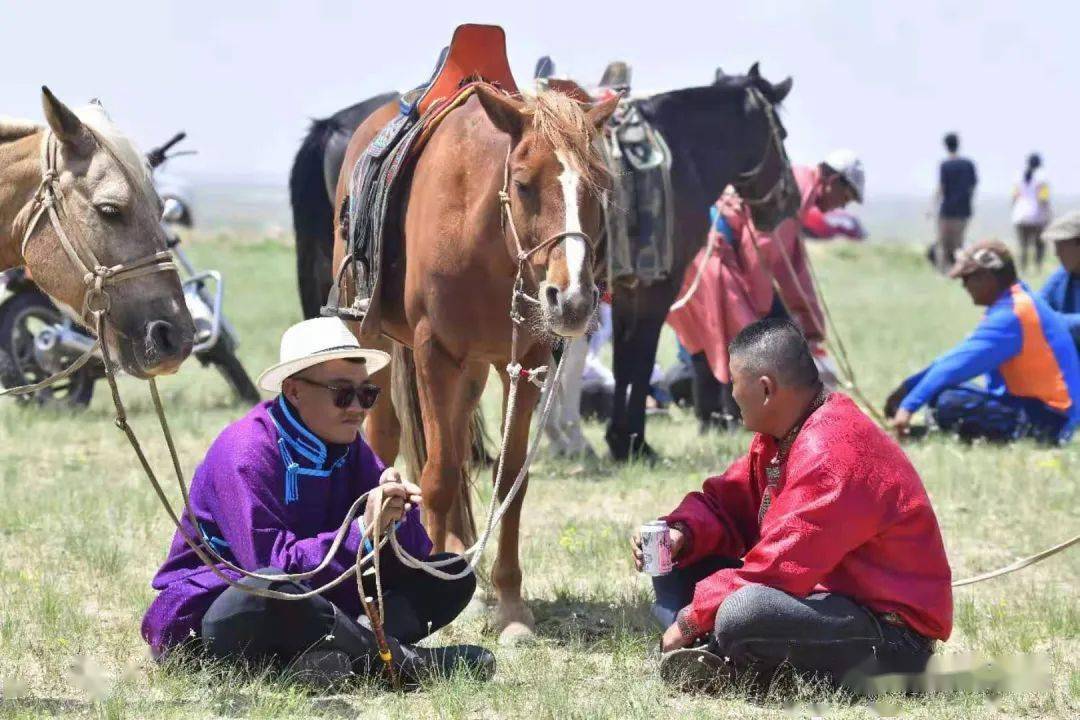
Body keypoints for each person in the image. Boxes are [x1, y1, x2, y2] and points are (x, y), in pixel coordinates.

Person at [141, 317, 494, 686]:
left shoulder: (349, 443)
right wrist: (361, 532)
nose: (358, 408)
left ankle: (330, 659)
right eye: (342, 393)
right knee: (272, 589)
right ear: (293, 391)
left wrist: (396, 517)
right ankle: (400, 662)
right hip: (222, 613)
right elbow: (268, 568)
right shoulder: (245, 452)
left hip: (315, 599)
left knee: (452, 574)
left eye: (367, 394)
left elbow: (417, 553)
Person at [633, 319, 951, 694]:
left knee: (742, 614)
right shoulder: (787, 432)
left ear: (765, 389)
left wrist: (689, 619)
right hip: (824, 602)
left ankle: (715, 654)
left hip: (891, 638)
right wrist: (681, 532)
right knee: (678, 554)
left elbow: (774, 571)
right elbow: (728, 504)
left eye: (735, 383)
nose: (731, 393)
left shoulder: (832, 452)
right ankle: (714, 652)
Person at [668, 149, 864, 431]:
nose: (839, 207)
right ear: (833, 180)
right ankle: (718, 419)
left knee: (716, 336)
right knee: (735, 337)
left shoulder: (797, 192)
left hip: (710, 247)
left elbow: (791, 268)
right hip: (712, 247)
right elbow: (757, 250)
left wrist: (811, 324)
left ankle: (718, 420)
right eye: (844, 198)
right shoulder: (792, 192)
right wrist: (759, 309)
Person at [887, 240, 1080, 444]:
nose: (964, 286)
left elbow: (956, 366)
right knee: (943, 393)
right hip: (1039, 409)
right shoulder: (1016, 301)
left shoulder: (1011, 315)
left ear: (987, 277)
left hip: (1051, 422)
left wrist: (908, 407)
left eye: (967, 278)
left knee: (949, 402)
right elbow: (956, 358)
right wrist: (910, 387)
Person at [931, 132, 978, 273]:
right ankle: (959, 270)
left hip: (947, 209)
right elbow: (973, 185)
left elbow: (942, 188)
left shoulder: (945, 165)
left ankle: (944, 271)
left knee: (944, 243)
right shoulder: (968, 164)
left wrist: (932, 205)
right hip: (963, 209)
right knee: (959, 243)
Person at [1039, 210, 1080, 350]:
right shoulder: (1063, 276)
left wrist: (1052, 321)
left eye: (1061, 246)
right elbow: (1036, 307)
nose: (1056, 253)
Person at [1011, 153, 1051, 273]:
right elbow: (1043, 199)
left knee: (1023, 245)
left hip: (1020, 214)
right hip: (1037, 215)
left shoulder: (1018, 177)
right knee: (1039, 243)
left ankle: (1022, 269)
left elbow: (1014, 197)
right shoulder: (1042, 178)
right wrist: (1048, 213)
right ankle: (1037, 267)